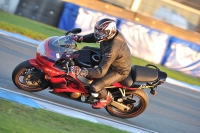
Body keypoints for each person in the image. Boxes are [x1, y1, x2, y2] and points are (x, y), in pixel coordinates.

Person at [74, 18, 132, 109]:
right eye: (97, 30)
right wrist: (80, 38)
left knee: (95, 86)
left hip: (118, 70)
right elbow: (95, 36)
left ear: (109, 32)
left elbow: (101, 71)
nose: (98, 33)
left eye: (101, 32)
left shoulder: (113, 48)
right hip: (110, 58)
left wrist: (83, 71)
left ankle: (107, 98)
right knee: (84, 50)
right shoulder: (109, 35)